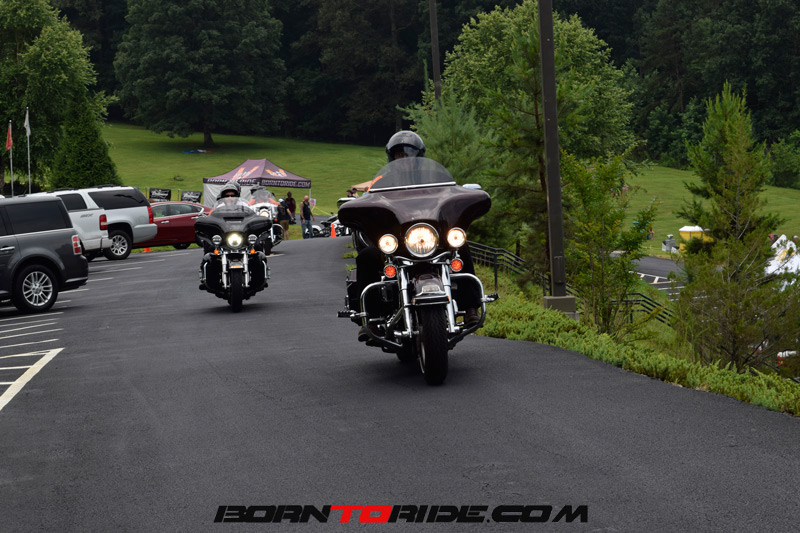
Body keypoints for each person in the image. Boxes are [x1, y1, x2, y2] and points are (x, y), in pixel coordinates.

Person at [354, 131, 481, 343]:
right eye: (399, 155)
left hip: (431, 239)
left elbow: (452, 194)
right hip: (397, 243)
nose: (403, 159)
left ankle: (470, 307)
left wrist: (464, 195)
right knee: (366, 256)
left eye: (408, 154)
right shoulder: (380, 181)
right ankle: (371, 319)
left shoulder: (435, 178)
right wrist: (357, 206)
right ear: (392, 158)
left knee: (461, 246)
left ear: (418, 156)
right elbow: (367, 200)